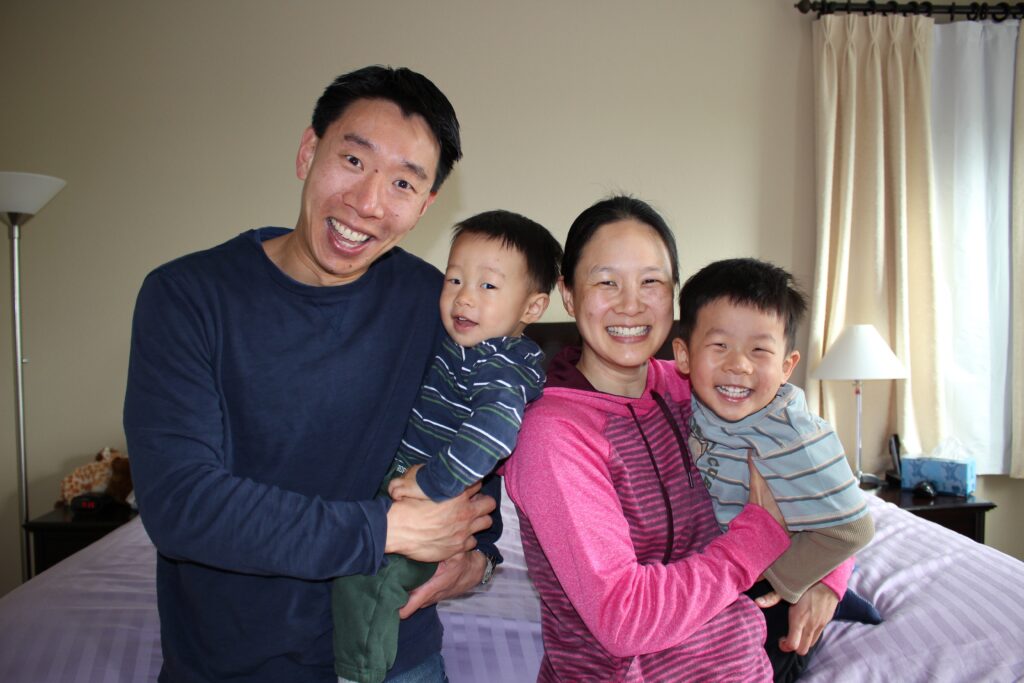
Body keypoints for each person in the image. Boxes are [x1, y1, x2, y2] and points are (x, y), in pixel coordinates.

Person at [123, 66, 498, 683]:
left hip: (394, 661)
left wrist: (477, 562)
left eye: (403, 183)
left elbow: (483, 456)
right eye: (353, 161)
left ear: (425, 205)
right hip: (230, 665)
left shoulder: (438, 307)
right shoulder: (187, 296)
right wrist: (386, 528)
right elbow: (181, 503)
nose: (368, 202)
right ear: (308, 151)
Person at [502, 196, 852, 681]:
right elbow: (622, 619)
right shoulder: (555, 435)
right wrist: (758, 538)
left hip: (745, 666)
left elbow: (818, 471)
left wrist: (826, 578)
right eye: (606, 282)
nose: (631, 304)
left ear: (674, 295)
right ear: (568, 293)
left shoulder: (697, 384)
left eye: (651, 282)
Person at [332, 210, 563, 683]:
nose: (464, 296)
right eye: (454, 278)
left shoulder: (501, 366)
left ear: (532, 308)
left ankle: (360, 670)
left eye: (488, 286)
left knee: (374, 574)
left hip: (443, 485)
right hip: (410, 473)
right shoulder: (461, 345)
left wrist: (434, 482)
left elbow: (492, 436)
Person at [674, 257, 875, 680]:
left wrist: (784, 584)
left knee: (757, 661)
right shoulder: (685, 403)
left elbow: (852, 529)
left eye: (760, 350)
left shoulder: (794, 437)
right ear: (684, 355)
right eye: (719, 345)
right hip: (725, 561)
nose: (739, 364)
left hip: (773, 580)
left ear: (787, 366)